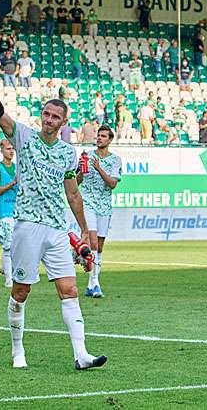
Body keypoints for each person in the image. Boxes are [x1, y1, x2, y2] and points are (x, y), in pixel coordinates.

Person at [0, 52, 106, 370]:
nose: (49, 120)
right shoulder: (24, 137)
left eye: (55, 117)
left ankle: (81, 355)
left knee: (70, 289)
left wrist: (82, 229)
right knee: (21, 291)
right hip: (27, 226)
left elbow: (73, 192)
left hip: (56, 229)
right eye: (46, 114)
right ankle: (17, 350)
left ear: (64, 123)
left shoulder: (68, 152)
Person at [78, 125, 122, 299]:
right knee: (94, 243)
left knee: (100, 247)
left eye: (103, 136)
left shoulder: (115, 160)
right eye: (98, 135)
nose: (99, 138)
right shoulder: (87, 156)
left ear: (110, 140)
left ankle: (91, 282)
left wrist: (99, 168)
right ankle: (96, 283)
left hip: (104, 205)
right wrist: (82, 169)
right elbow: (78, 180)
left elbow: (112, 184)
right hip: (87, 202)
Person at [0, 138, 19, 288]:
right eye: (8, 148)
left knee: (16, 245)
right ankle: (9, 279)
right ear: (1, 150)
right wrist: (13, 183)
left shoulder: (17, 167)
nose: (11, 151)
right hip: (5, 211)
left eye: (12, 148)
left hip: (17, 211)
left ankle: (7, 270)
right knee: (8, 246)